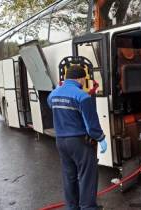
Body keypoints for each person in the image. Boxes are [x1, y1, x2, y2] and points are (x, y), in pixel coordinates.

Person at [47, 63, 107, 210]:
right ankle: (88, 207)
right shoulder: (82, 96)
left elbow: (51, 107)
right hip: (79, 142)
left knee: (69, 176)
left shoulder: (53, 94)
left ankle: (72, 207)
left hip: (60, 141)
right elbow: (91, 125)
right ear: (80, 79)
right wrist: (101, 138)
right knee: (87, 176)